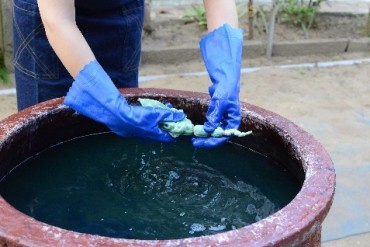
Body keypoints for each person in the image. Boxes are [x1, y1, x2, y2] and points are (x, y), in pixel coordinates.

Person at [13, 0, 243, 148]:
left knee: (120, 146)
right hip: (51, 23)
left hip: (120, 13)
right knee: (49, 142)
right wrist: (110, 105)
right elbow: (58, 20)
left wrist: (227, 71)